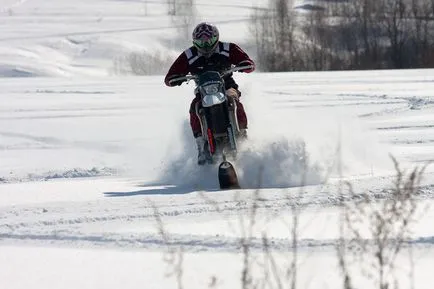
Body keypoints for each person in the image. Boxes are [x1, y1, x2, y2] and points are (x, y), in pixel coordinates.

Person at [164, 22, 255, 164]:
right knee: (195, 107)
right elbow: (170, 77)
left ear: (216, 38)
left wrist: (245, 64)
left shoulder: (227, 48)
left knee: (234, 100)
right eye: (201, 42)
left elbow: (248, 62)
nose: (206, 45)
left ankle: (243, 134)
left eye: (209, 41)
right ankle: (200, 144)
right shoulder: (189, 55)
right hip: (203, 91)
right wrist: (174, 79)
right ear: (195, 42)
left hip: (227, 86)